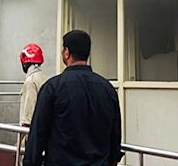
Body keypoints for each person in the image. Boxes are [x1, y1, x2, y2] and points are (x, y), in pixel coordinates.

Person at [23, 30, 124, 166]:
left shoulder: (52, 88)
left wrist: (30, 162)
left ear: (67, 52)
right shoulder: (107, 89)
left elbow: (37, 134)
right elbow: (115, 135)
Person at [18, 44, 48, 143]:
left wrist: (18, 143)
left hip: (31, 136)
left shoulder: (30, 82)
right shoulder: (44, 77)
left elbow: (27, 119)